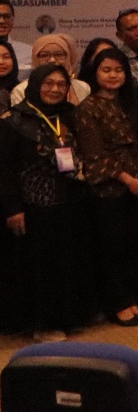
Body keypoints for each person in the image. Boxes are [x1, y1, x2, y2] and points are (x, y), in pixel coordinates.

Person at [0, 65, 94, 340]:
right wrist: (13, 208)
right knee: (41, 268)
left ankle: (69, 317)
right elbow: (4, 170)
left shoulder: (69, 115)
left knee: (68, 261)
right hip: (34, 206)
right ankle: (43, 324)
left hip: (71, 201)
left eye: (61, 84)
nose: (55, 89)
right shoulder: (13, 121)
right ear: (35, 85)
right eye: (48, 83)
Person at [74, 49, 138, 328]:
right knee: (112, 249)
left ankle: (130, 299)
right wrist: (129, 180)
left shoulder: (129, 103)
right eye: (106, 70)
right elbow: (95, 154)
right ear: (95, 73)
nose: (113, 75)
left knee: (134, 246)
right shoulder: (87, 107)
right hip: (109, 190)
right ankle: (116, 304)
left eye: (118, 70)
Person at [13, 34, 89, 105]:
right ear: (35, 59)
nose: (52, 60)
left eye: (59, 54)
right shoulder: (21, 90)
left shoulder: (83, 87)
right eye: (44, 55)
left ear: (68, 57)